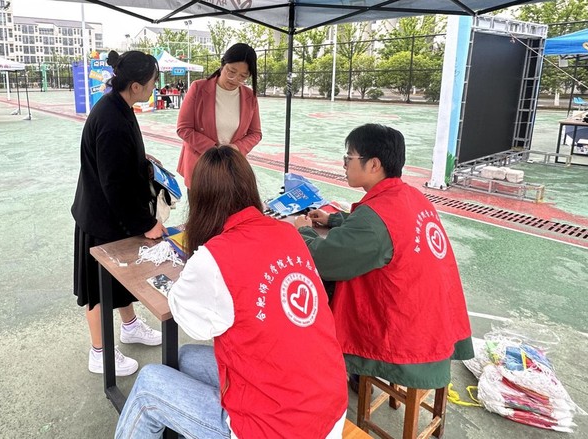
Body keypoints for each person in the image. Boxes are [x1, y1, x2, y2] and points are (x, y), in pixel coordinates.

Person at [115, 146, 348, 439]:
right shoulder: (288, 233)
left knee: (148, 385)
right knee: (183, 358)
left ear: (201, 200)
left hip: (279, 429)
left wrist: (197, 266)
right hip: (327, 405)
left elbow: (191, 321)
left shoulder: (214, 257)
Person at [293, 123, 473, 391]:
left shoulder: (374, 219)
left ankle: (327, 374)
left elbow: (325, 260)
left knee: (316, 290)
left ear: (374, 164)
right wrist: (335, 220)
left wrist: (303, 232)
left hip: (405, 333)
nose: (344, 165)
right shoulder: (410, 196)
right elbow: (382, 231)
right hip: (437, 319)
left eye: (349, 158)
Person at [71, 50, 167, 377]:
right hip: (100, 218)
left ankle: (130, 326)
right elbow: (114, 184)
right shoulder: (112, 119)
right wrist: (147, 223)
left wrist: (142, 161)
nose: (155, 87)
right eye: (153, 81)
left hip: (109, 215)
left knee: (120, 277)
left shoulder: (118, 105)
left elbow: (118, 162)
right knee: (97, 290)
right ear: (136, 86)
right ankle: (99, 352)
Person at [176, 43, 262, 190]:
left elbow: (255, 133)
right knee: (201, 205)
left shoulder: (250, 96)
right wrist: (216, 150)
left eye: (243, 76)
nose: (234, 79)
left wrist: (236, 148)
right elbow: (183, 129)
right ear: (222, 65)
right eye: (231, 71)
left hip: (231, 168)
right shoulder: (198, 88)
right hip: (201, 165)